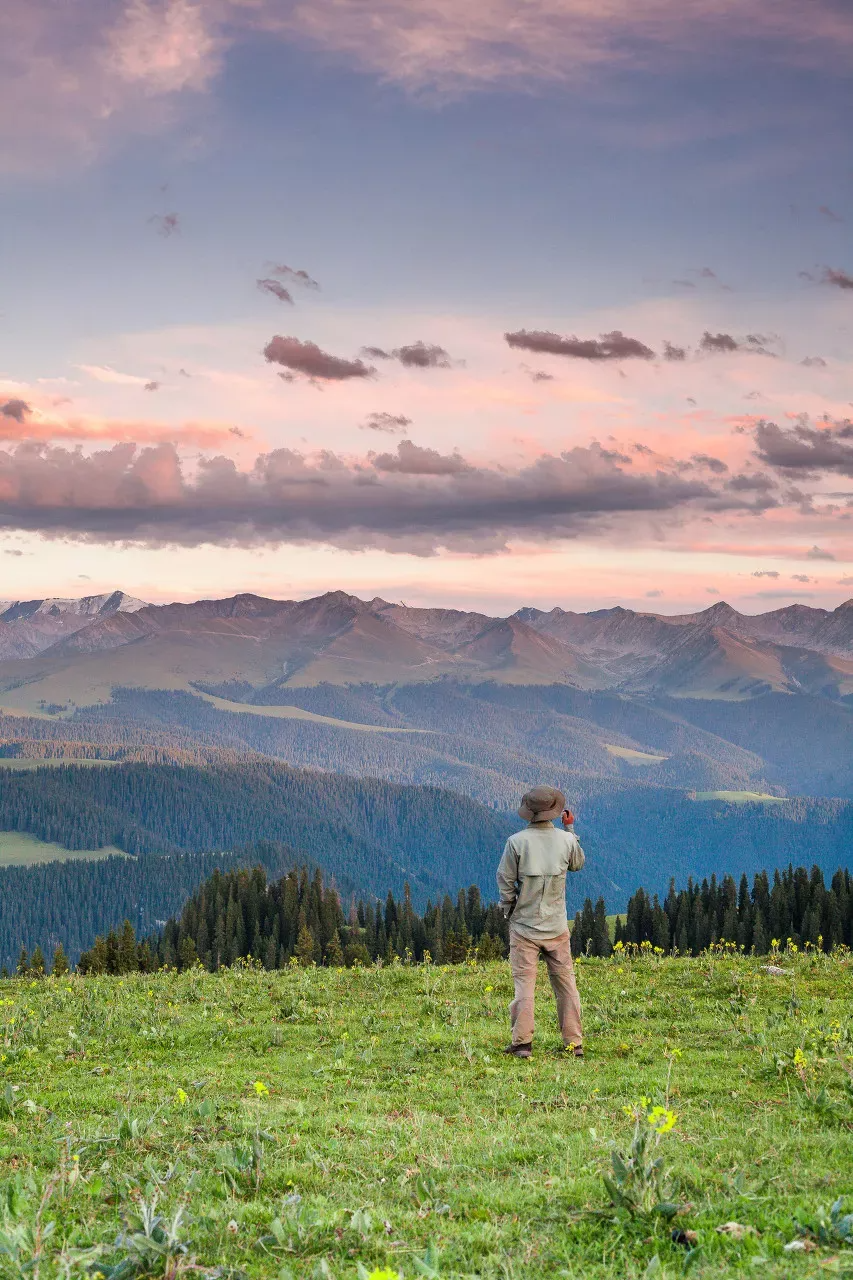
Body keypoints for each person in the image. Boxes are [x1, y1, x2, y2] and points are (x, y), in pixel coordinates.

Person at [497, 785, 585, 1060]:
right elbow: (578, 864)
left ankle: (522, 1044)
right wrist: (570, 829)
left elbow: (505, 880)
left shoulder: (516, 842)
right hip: (556, 926)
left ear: (529, 812)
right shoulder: (565, 840)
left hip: (525, 926)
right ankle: (574, 1043)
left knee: (525, 985)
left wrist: (508, 907)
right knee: (566, 985)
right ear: (556, 812)